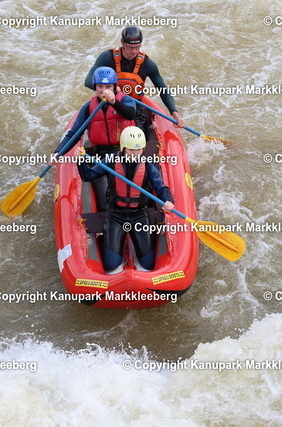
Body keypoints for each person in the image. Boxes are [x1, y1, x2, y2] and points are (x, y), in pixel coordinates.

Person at [75, 126, 174, 274]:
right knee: (111, 266)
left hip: (139, 215)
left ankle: (133, 253)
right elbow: (88, 176)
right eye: (131, 150)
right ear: (123, 148)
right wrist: (80, 160)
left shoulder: (147, 165)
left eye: (139, 150)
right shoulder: (111, 160)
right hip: (115, 215)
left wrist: (168, 200)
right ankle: (115, 250)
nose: (135, 154)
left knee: (147, 264)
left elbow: (160, 187)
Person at [53, 66, 136, 210]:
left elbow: (130, 114)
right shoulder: (88, 108)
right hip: (101, 154)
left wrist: (114, 102)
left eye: (108, 87)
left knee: (130, 194)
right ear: (95, 87)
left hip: (125, 153)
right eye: (100, 87)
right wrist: (58, 153)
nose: (104, 91)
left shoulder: (126, 100)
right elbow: (74, 134)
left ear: (114, 86)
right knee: (104, 202)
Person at [84, 26, 186, 131]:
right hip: (109, 102)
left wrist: (174, 112)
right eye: (129, 47)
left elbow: (162, 89)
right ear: (122, 43)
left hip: (135, 106)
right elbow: (88, 81)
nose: (134, 51)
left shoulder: (147, 64)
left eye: (137, 47)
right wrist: (112, 90)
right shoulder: (107, 57)